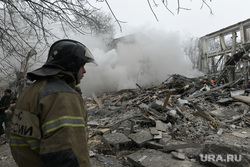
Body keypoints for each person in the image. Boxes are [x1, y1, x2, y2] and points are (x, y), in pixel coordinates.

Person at [10, 39, 97, 167]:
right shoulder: (62, 96)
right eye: (82, 65)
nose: (84, 71)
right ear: (72, 65)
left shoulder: (31, 91)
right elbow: (64, 154)